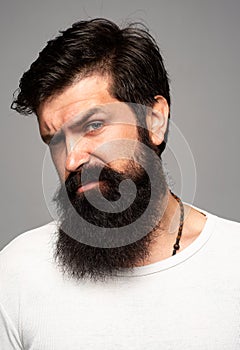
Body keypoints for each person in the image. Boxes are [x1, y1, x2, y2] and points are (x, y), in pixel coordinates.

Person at [1, 18, 240, 349]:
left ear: (155, 120)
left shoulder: (234, 261)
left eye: (94, 125)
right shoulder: (16, 274)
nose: (71, 161)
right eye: (54, 139)